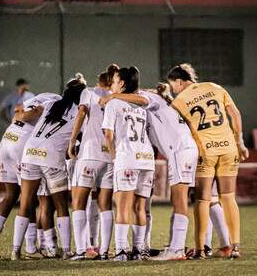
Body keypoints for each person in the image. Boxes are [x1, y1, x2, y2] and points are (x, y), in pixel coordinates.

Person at [100, 82, 198, 260]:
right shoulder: (158, 108)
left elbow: (142, 99)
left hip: (175, 150)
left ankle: (174, 249)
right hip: (165, 154)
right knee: (151, 205)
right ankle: (154, 248)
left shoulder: (148, 99)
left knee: (178, 199)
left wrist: (113, 96)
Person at [167, 63, 249, 259]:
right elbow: (235, 114)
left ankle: (200, 249)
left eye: (173, 86)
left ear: (179, 82)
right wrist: (240, 142)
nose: (174, 90)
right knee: (228, 197)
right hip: (228, 148)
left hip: (206, 151)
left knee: (202, 200)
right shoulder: (215, 87)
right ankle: (235, 246)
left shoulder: (178, 102)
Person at [11, 74, 86, 260]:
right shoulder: (80, 113)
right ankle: (67, 250)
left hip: (29, 153)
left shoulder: (52, 103)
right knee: (60, 205)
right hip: (51, 157)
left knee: (25, 204)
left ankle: (15, 251)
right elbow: (79, 141)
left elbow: (29, 115)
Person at [0, 92, 61, 260]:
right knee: (29, 197)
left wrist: (21, 115)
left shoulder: (35, 98)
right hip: (22, 143)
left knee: (11, 195)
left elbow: (18, 112)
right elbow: (34, 112)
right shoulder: (57, 102)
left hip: (8, 138)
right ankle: (30, 247)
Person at [102, 67, 155, 261]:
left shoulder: (113, 103)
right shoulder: (141, 106)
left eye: (115, 81)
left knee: (122, 207)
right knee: (140, 208)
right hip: (146, 160)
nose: (112, 85)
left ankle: (122, 251)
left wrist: (114, 155)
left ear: (122, 83)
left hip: (127, 158)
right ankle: (139, 250)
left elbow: (108, 134)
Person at [67, 64, 119, 261]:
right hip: (110, 157)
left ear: (99, 80)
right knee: (105, 204)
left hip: (90, 153)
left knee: (78, 202)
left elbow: (81, 113)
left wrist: (72, 141)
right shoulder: (116, 98)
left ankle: (81, 250)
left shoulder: (88, 93)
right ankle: (104, 251)